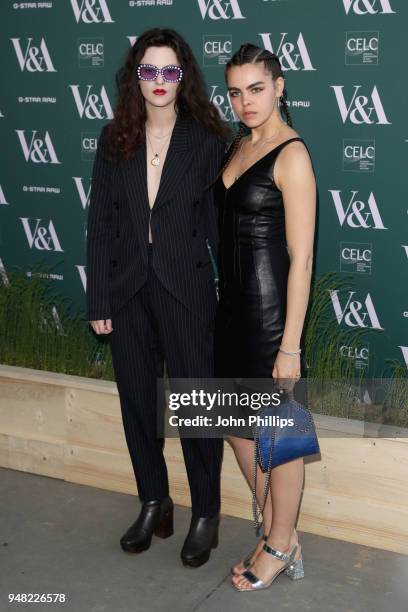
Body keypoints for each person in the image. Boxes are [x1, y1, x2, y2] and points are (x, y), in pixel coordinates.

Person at [86, 28, 228, 568]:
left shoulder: (208, 139)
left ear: (183, 76)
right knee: (138, 405)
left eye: (170, 71)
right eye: (150, 71)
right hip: (126, 293)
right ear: (136, 78)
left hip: (187, 291)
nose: (160, 81)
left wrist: (233, 300)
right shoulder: (114, 137)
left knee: (197, 410)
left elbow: (218, 227)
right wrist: (99, 296)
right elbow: (99, 223)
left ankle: (205, 514)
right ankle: (155, 502)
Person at [214, 44, 316, 590]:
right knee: (234, 426)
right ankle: (281, 532)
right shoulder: (239, 144)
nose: (245, 101)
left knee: (281, 437)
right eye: (235, 91)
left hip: (272, 316)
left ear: (279, 86)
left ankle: (277, 543)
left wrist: (290, 345)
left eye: (256, 88)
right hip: (228, 311)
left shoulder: (292, 154)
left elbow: (302, 259)